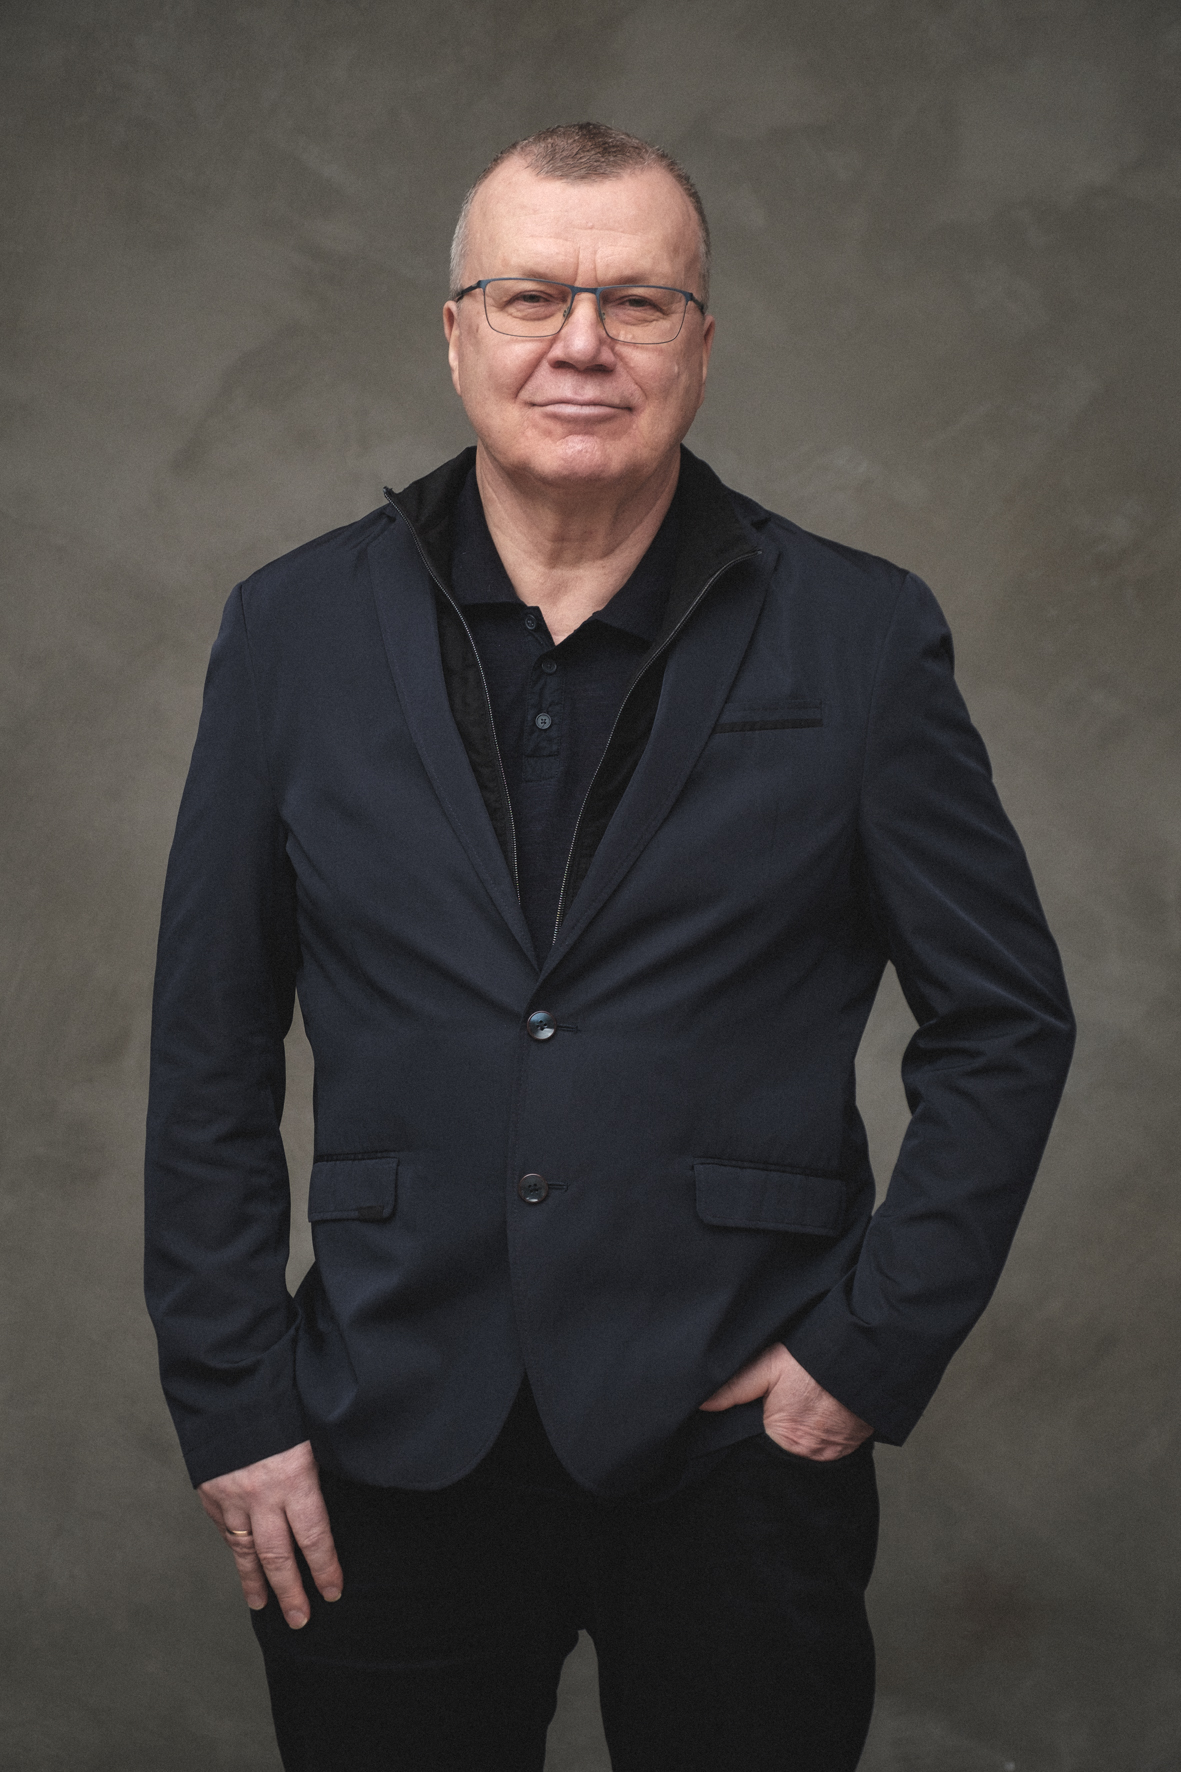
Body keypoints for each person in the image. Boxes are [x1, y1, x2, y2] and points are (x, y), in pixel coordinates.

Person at [144, 123, 1075, 1772]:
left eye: (636, 302)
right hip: (380, 1424)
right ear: (455, 333)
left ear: (700, 345)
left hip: (738, 1442)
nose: (581, 344)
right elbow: (209, 1039)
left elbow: (1004, 1021)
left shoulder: (858, 636)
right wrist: (235, 1404)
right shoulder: (290, 630)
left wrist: (859, 1358)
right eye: (531, 297)